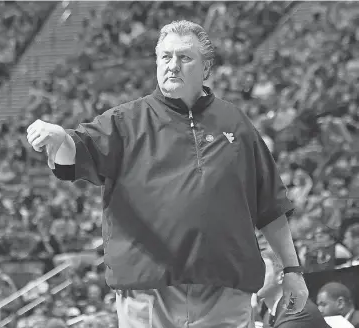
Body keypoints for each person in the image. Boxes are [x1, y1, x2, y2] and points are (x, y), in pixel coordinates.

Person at [27, 20, 308, 328]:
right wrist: (59, 138)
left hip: (225, 293)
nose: (172, 66)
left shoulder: (236, 123)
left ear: (206, 67)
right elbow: (75, 155)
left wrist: (292, 271)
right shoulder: (124, 121)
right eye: (165, 57)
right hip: (148, 294)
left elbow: (270, 207)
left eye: (184, 57)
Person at [256, 249, 329, 328]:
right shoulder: (269, 314)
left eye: (261, 271)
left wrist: (250, 314)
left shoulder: (296, 309)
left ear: (281, 277)